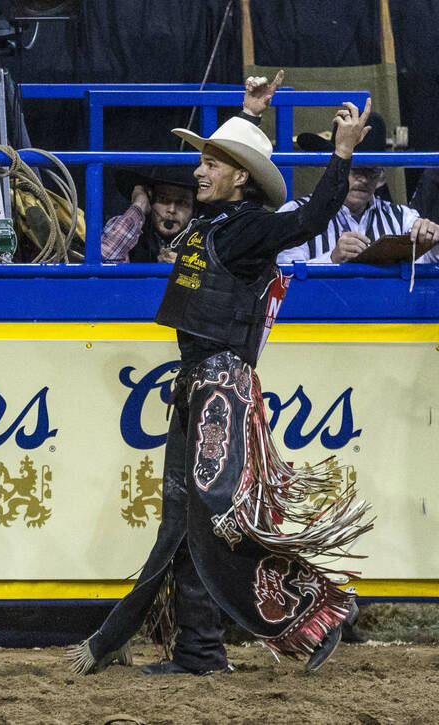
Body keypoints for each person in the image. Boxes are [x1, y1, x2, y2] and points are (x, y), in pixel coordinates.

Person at [68, 73, 372, 677]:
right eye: (203, 160)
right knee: (189, 517)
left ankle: (313, 611)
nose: (199, 171)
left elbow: (311, 219)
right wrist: (249, 115)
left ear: (239, 178)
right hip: (200, 385)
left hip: (219, 390)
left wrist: (340, 157)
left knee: (211, 516)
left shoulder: (250, 228)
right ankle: (199, 649)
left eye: (212, 163)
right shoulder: (218, 226)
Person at [278, 112, 439, 264]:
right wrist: (331, 260)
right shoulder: (293, 215)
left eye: (372, 170)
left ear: (381, 175)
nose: (363, 179)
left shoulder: (404, 218)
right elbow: (282, 280)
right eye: (353, 169)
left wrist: (432, 241)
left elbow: (426, 269)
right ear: (332, 169)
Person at [102, 166, 197, 263]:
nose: (172, 210)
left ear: (194, 207)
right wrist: (139, 205)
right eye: (163, 199)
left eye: (182, 203)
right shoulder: (128, 230)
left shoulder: (206, 239)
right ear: (150, 199)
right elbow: (103, 259)